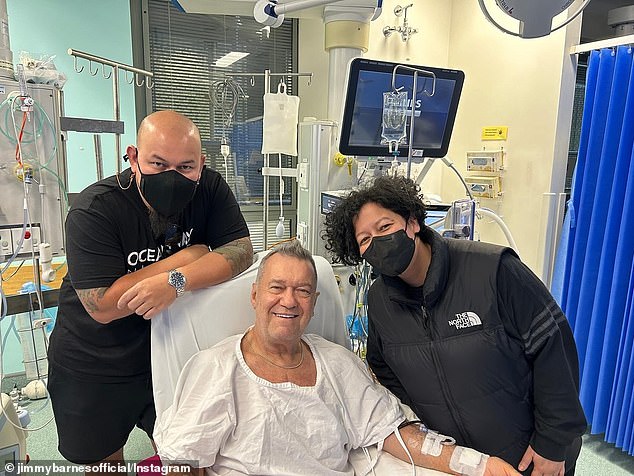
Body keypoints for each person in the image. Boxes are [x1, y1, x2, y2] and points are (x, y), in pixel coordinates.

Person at [153, 240, 520, 476]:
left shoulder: (337, 363)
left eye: (302, 291)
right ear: (254, 296)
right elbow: (185, 460)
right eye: (277, 288)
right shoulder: (218, 369)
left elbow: (389, 431)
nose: (288, 300)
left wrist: (480, 466)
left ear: (313, 305)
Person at [322, 175, 587, 476]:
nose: (378, 242)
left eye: (385, 227)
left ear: (412, 223)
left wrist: (552, 444)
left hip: (530, 455)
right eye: (365, 239)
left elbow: (554, 348)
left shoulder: (492, 270)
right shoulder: (380, 302)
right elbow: (384, 368)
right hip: (464, 463)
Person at [48, 110, 254, 469]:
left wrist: (176, 283)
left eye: (186, 167)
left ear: (201, 164)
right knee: (105, 462)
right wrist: (185, 258)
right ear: (133, 157)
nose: (173, 178)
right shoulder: (95, 210)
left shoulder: (210, 189)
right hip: (95, 361)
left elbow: (240, 251)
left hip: (173, 351)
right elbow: (105, 305)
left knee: (189, 457)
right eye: (158, 164)